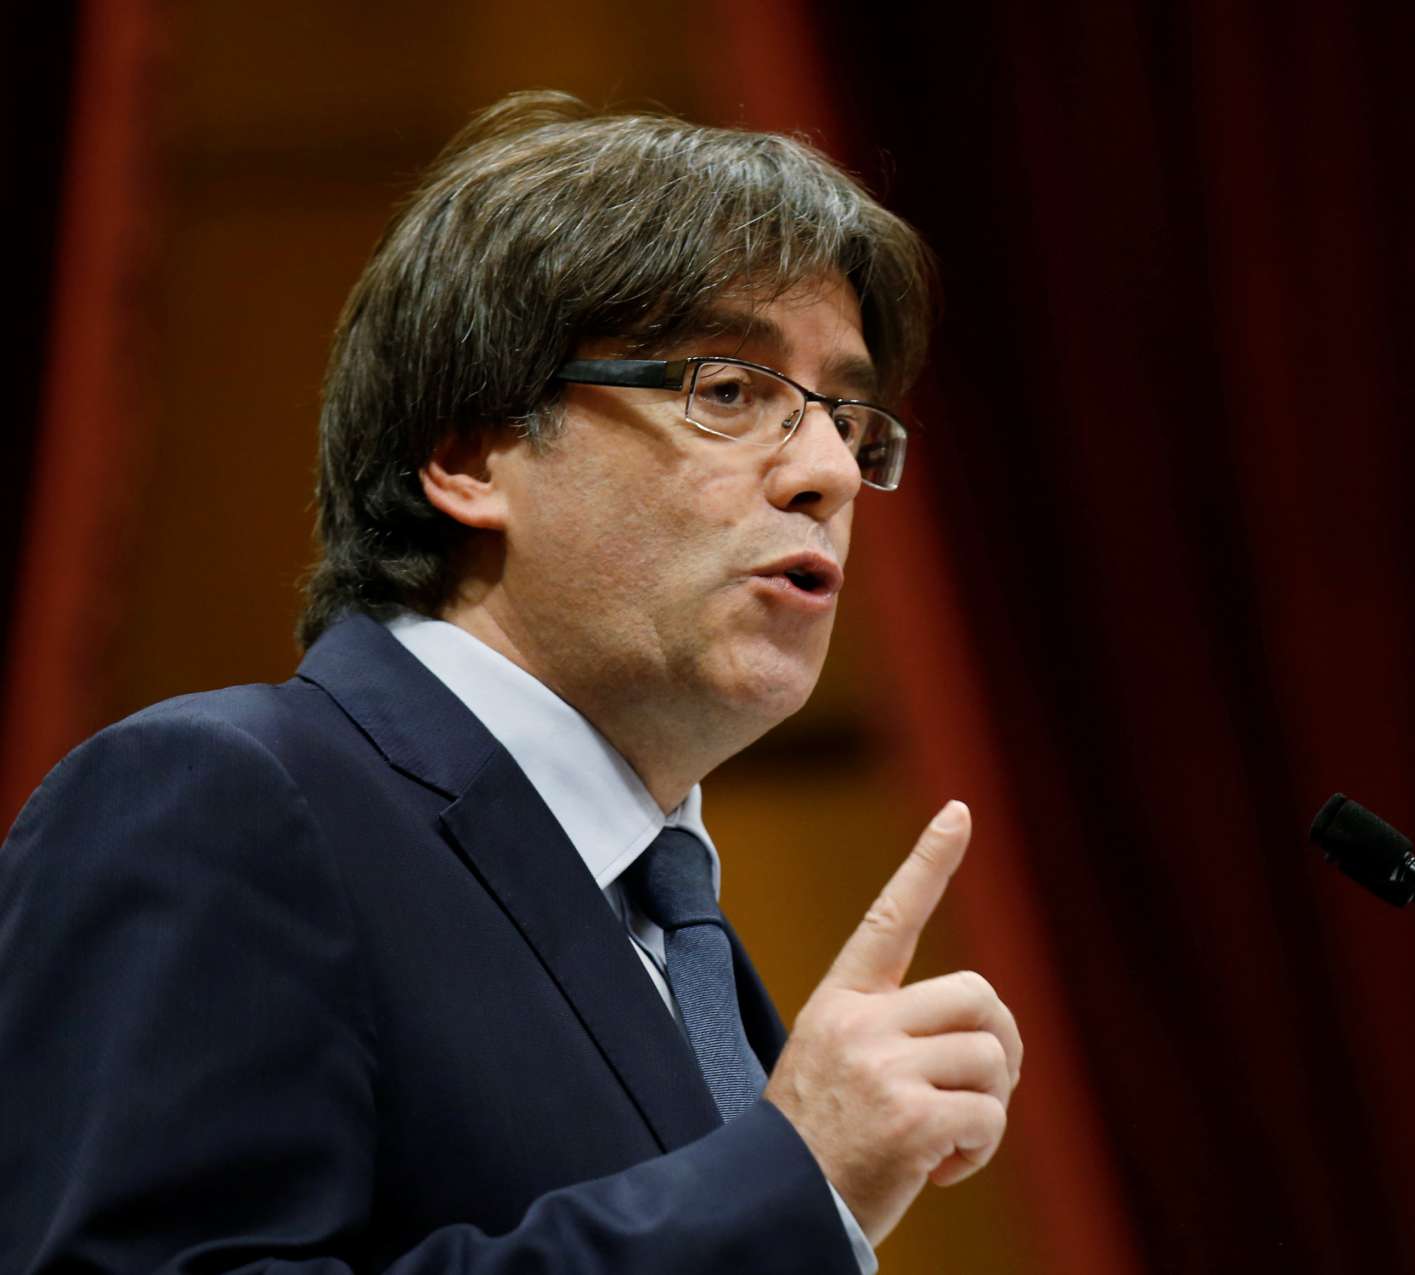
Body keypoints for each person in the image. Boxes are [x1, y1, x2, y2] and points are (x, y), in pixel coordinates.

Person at [0, 91, 1021, 1273]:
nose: (830, 472)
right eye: (729, 390)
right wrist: (791, 1184)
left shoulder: (681, 938)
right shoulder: (216, 801)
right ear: (469, 454)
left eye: (848, 418)